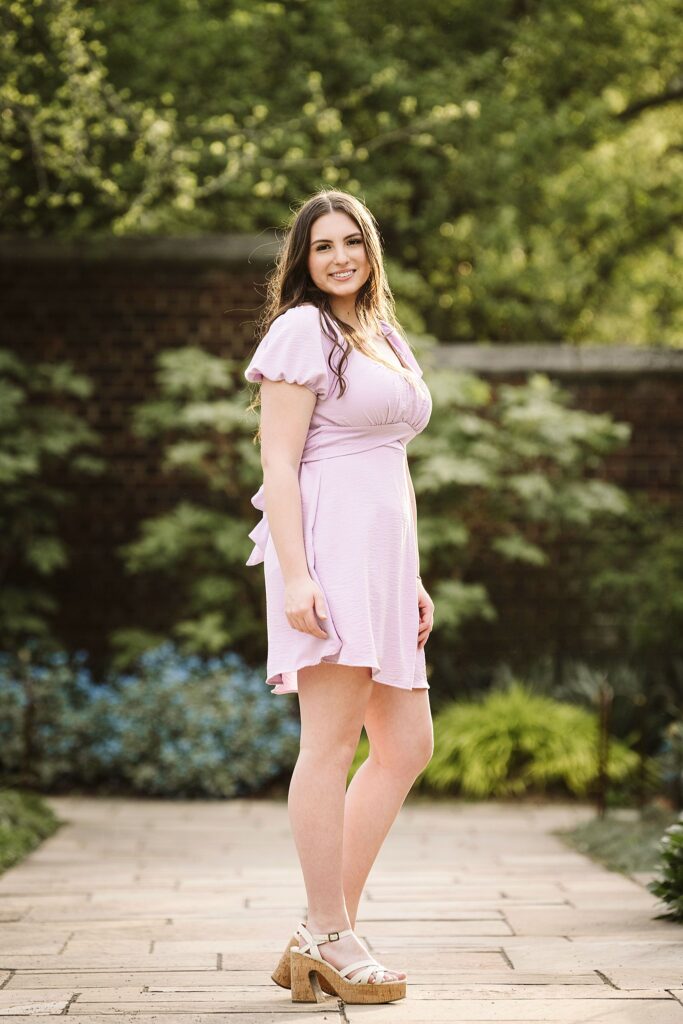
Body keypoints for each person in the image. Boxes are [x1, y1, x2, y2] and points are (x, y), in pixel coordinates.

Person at [243, 188, 435, 1004]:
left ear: (370, 249)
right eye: (322, 246)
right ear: (302, 260)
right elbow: (279, 462)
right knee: (329, 744)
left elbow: (392, 460)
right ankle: (331, 930)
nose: (339, 257)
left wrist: (413, 575)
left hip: (384, 564)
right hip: (327, 554)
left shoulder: (381, 333)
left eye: (350, 241)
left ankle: (322, 928)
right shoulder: (301, 329)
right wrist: (295, 574)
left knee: (405, 747)